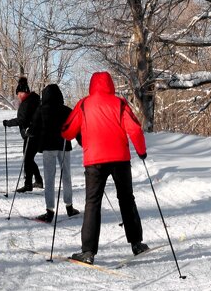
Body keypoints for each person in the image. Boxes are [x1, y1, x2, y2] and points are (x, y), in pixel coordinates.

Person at [60, 71, 149, 264]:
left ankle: (88, 252)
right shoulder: (119, 103)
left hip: (94, 161)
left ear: (92, 85)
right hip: (120, 160)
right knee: (126, 199)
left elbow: (67, 131)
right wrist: (141, 151)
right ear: (111, 85)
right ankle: (137, 244)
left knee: (93, 203)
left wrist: (69, 132)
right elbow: (134, 128)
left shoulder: (84, 104)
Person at [28, 83, 80, 222]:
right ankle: (69, 207)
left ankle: (49, 211)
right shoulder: (66, 110)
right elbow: (75, 126)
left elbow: (34, 128)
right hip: (63, 145)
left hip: (48, 147)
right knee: (66, 176)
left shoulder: (41, 110)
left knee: (49, 178)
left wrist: (28, 132)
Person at [2, 75, 43, 192]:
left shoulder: (27, 103)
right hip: (35, 133)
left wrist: (8, 123)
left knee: (27, 159)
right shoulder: (34, 100)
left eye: (19, 93)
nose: (18, 96)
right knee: (29, 158)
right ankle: (38, 181)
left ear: (24, 92)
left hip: (31, 135)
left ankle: (28, 184)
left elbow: (22, 120)